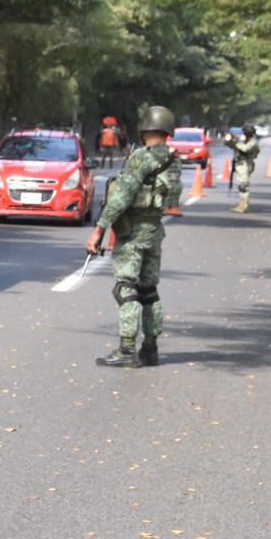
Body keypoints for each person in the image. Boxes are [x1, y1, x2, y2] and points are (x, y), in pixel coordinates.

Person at [85, 104, 182, 368]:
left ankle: (127, 349)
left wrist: (99, 229)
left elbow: (122, 196)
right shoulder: (174, 159)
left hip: (133, 231)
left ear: (146, 128)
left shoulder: (142, 157)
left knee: (125, 288)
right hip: (154, 229)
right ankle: (150, 348)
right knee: (149, 290)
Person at [224, 124, 260, 212]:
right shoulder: (243, 140)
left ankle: (244, 205)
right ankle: (242, 204)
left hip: (246, 164)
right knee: (241, 185)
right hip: (239, 164)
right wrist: (230, 140)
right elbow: (232, 146)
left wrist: (236, 141)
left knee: (243, 185)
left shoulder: (253, 142)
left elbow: (244, 149)